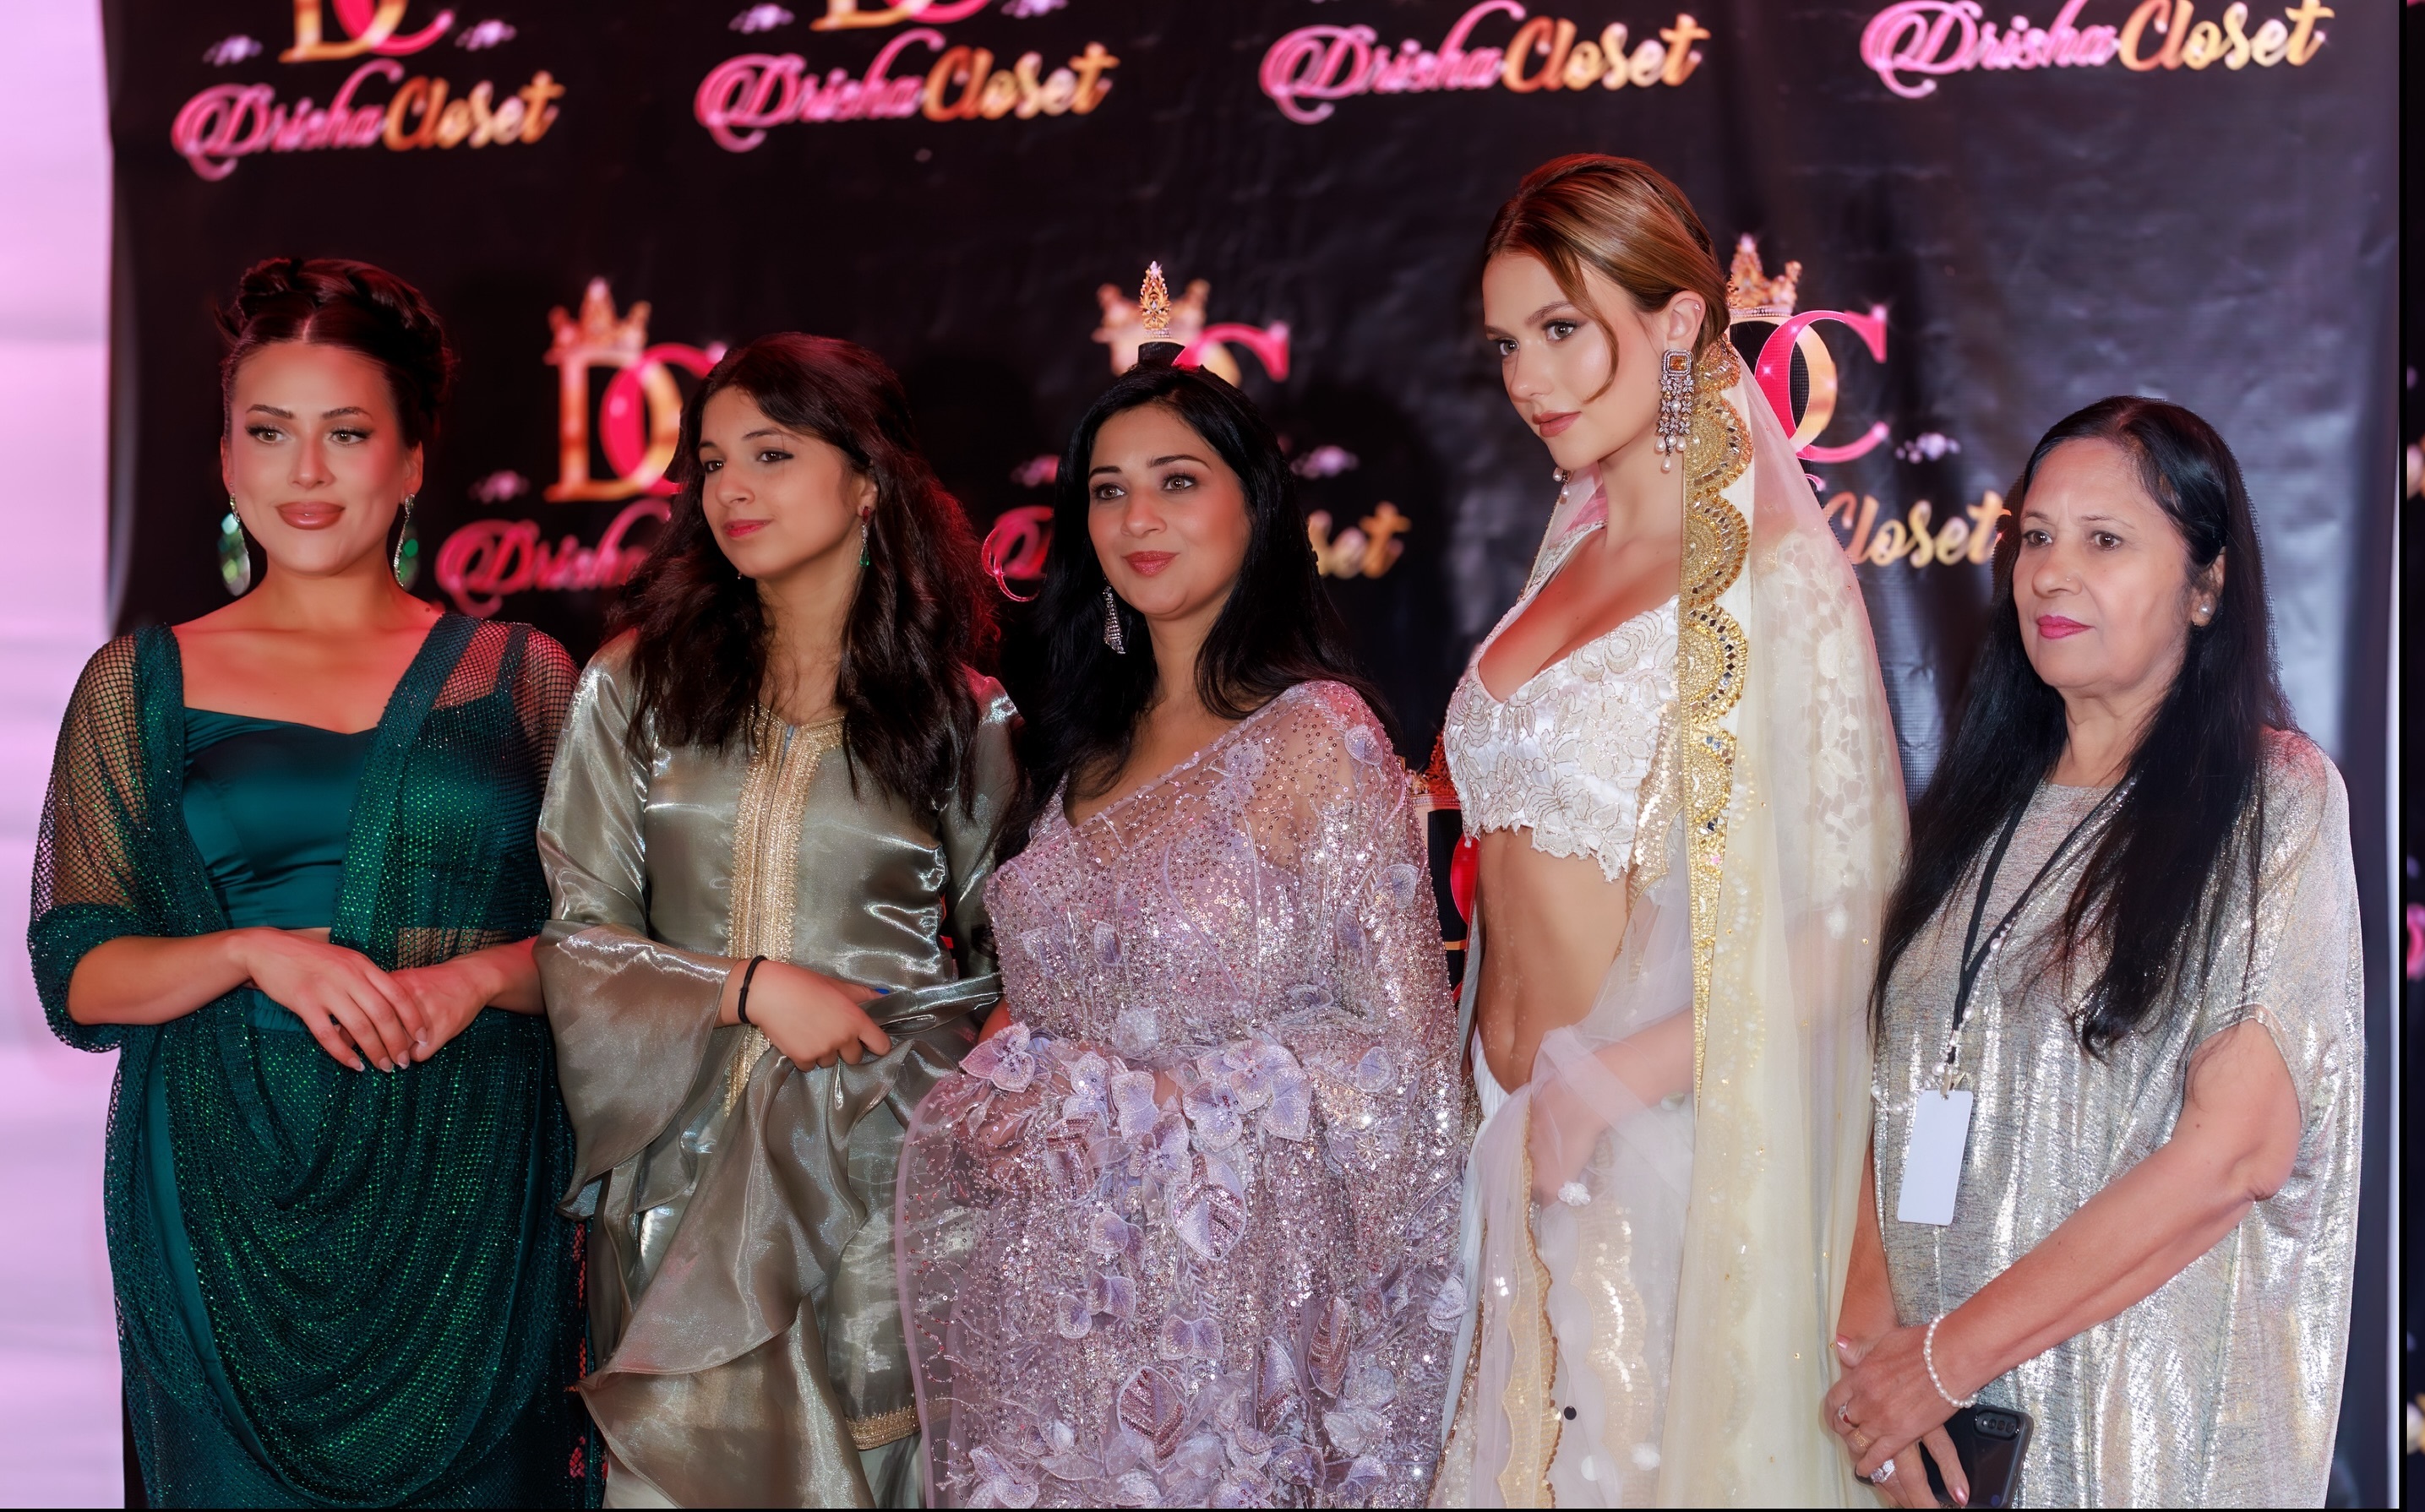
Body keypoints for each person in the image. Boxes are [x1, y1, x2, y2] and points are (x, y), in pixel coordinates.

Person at [29, 258, 593, 1506]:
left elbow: (612, 952)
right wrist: (252, 952)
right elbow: (79, 971)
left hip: (471, 1197)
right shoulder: (140, 681)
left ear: (411, 461)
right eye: (269, 433)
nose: (307, 472)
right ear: (228, 462)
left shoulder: (524, 675)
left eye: (346, 433)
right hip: (219, 1196)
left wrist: (475, 978)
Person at [894, 347, 1469, 1509]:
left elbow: (1406, 1064)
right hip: (1055, 1305)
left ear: (1255, 508)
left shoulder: (1317, 737)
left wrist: (1177, 1107)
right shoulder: (1073, 751)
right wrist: (1016, 1080)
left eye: (1177, 481)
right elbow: (1038, 1004)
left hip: (1232, 1321)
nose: (1137, 518)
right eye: (1107, 489)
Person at [1431, 156, 1907, 1507]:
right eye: (1506, 344)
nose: (1530, 378)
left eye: (1561, 329)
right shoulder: (1561, 558)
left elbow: (1843, 925)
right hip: (1502, 1154)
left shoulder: (1770, 580)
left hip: (1655, 1161)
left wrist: (1602, 1085)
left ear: (1680, 320)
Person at [1828, 397, 2362, 1508]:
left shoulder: (2271, 798)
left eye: (2103, 540)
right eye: (2034, 536)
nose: (2050, 574)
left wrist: (1943, 1362)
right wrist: (1875, 1371)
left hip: (2148, 1441)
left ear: (2206, 584)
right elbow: (1899, 1092)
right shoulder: (1973, 814)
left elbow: (2237, 1150)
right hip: (1942, 1442)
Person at [537, 333, 1013, 1509]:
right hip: (678, 1194)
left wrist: (929, 1089)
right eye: (710, 462)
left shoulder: (963, 715)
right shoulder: (635, 686)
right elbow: (576, 935)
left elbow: (1016, 969)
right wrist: (746, 986)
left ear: (868, 481)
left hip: (875, 1198)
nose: (731, 491)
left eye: (771, 454)